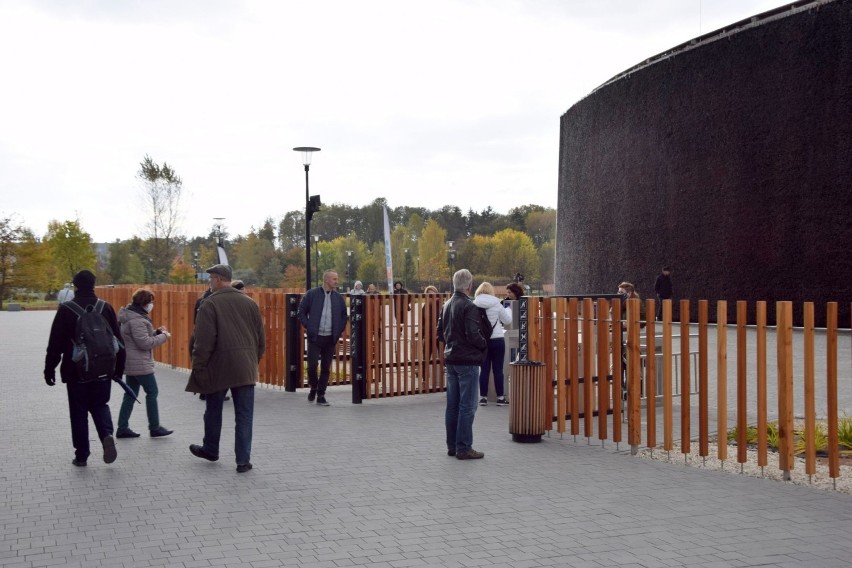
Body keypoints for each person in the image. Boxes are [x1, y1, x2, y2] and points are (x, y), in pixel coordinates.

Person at [186, 264, 266, 473]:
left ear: (219, 279)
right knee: (244, 415)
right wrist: (251, 361)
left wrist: (199, 367)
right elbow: (261, 341)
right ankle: (243, 460)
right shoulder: (250, 304)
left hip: (218, 368)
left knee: (213, 410)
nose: (209, 282)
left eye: (211, 278)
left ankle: (211, 449)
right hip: (245, 368)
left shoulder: (209, 304)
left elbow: (203, 342)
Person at [43, 270, 125, 467]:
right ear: (94, 285)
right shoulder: (105, 307)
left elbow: (55, 343)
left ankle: (82, 455)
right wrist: (118, 370)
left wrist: (49, 369)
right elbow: (118, 341)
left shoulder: (66, 309)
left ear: (76, 286)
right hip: (103, 369)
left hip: (76, 370)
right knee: (100, 405)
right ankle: (106, 435)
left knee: (78, 411)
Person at [437, 269, 487, 460]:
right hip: (467, 360)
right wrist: (484, 344)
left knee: (453, 405)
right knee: (467, 406)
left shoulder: (447, 304)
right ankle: (464, 447)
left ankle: (452, 445)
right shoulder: (469, 306)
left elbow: (439, 332)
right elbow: (473, 334)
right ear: (469, 286)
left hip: (451, 359)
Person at [115, 288, 173, 438]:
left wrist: (156, 333)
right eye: (151, 302)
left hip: (131, 362)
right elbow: (144, 343)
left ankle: (122, 427)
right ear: (144, 303)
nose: (152, 305)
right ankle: (154, 427)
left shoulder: (130, 316)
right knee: (152, 392)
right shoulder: (137, 320)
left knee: (130, 395)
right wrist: (165, 336)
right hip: (140, 364)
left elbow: (139, 338)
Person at [297, 270, 349, 406]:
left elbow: (344, 315)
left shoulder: (338, 297)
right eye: (334, 279)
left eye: (337, 279)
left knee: (326, 367)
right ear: (326, 280)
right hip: (315, 337)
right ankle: (314, 386)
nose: (337, 282)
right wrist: (309, 326)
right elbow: (301, 311)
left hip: (330, 338)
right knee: (312, 366)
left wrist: (338, 331)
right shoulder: (312, 294)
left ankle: (321, 394)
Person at [473, 282, 512, 407]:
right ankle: (500, 398)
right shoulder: (497, 303)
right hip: (497, 339)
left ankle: (483, 398)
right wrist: (508, 310)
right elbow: (507, 320)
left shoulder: (474, 304)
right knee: (498, 369)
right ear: (491, 291)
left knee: (483, 370)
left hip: (482, 340)